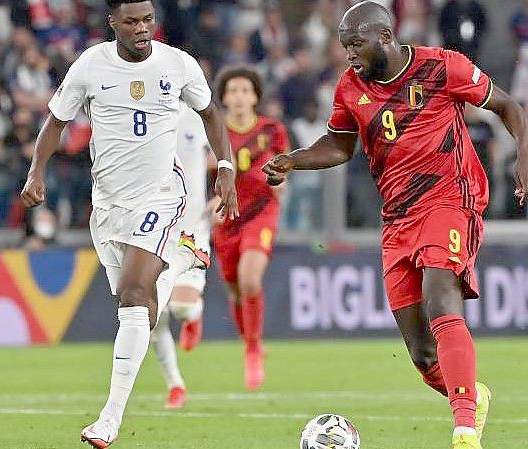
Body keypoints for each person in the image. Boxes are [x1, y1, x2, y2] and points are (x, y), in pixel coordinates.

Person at [263, 3, 528, 448]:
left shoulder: (441, 66)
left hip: (450, 197)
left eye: (356, 44)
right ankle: (470, 396)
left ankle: (464, 431)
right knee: (423, 355)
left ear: (384, 37)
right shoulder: (351, 87)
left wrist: (523, 156)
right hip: (397, 218)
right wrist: (295, 159)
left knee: (441, 293)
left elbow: (509, 106)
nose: (348, 54)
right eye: (344, 45)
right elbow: (340, 145)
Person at [19, 1, 239, 447]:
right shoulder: (89, 66)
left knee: (136, 296)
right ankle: (179, 263)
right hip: (108, 206)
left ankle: (109, 419)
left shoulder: (178, 65)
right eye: (132, 21)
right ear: (112, 23)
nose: (142, 29)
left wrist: (227, 169)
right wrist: (36, 171)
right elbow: (56, 122)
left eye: (147, 20)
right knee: (137, 305)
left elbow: (211, 114)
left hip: (161, 195)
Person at [212, 65, 289, 391]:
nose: (240, 97)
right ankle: (250, 342)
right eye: (233, 91)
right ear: (224, 98)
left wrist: (280, 180)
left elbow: (284, 168)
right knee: (233, 286)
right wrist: (206, 202)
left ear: (255, 95)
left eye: (246, 90)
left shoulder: (272, 130)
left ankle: (254, 349)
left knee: (249, 277)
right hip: (225, 216)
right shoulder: (214, 132)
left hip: (261, 212)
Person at [150, 107, 211, 410]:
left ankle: (193, 316)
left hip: (191, 226)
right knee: (150, 316)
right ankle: (175, 384)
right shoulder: (142, 114)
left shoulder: (197, 115)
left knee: (182, 307)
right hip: (152, 227)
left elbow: (220, 156)